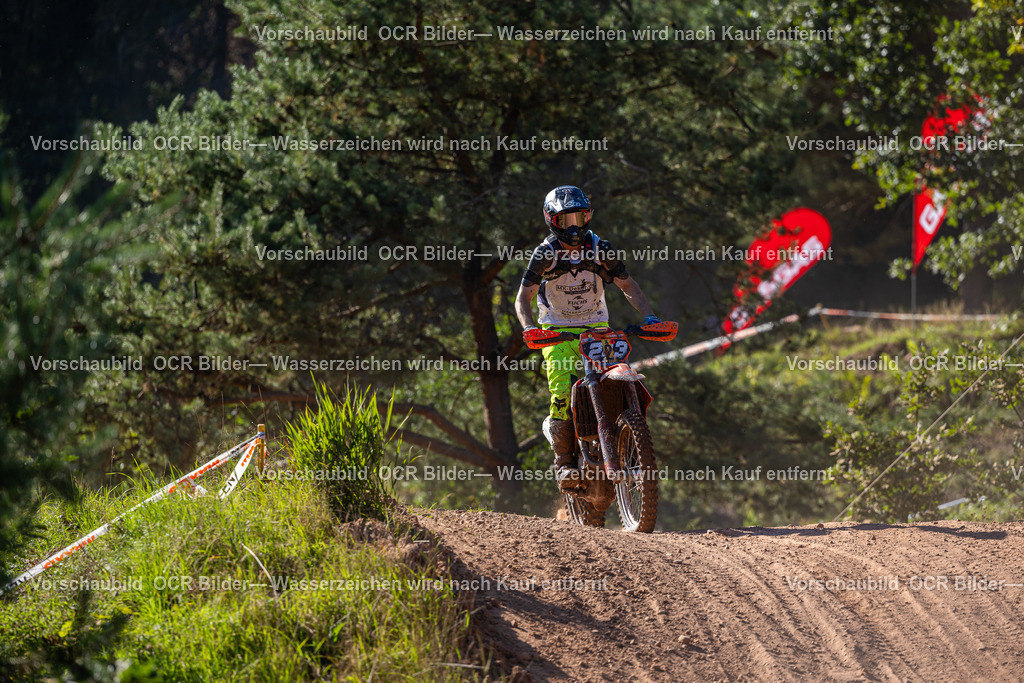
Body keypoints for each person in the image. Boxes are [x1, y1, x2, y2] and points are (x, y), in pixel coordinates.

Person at [514, 185, 659, 492]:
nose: (574, 228)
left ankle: (628, 439)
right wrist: (529, 328)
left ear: (588, 217)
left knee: (618, 381)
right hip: (556, 332)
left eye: (579, 219)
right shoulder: (545, 254)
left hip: (597, 328)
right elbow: (522, 298)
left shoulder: (600, 248)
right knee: (561, 393)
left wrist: (650, 317)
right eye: (566, 221)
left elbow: (627, 284)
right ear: (552, 221)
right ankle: (564, 463)